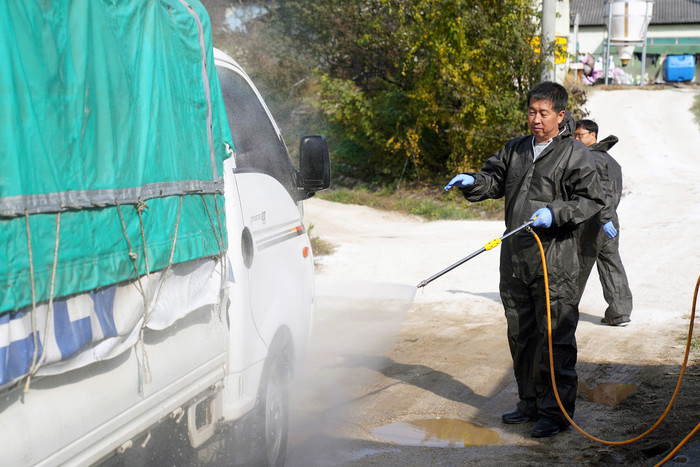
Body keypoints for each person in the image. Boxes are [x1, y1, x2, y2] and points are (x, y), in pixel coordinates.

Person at [444, 82, 606, 438]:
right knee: (521, 334)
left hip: (555, 259)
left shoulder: (575, 153)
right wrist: (473, 181)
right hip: (516, 257)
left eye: (543, 113)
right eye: (531, 111)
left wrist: (556, 212)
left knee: (554, 337)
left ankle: (555, 412)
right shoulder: (516, 149)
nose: (535, 119)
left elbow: (591, 200)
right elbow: (493, 180)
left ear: (560, 115)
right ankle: (529, 402)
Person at [574, 119, 633, 326]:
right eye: (575, 135)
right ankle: (620, 313)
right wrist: (609, 218)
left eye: (580, 135)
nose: (576, 139)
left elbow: (603, 193)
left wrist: (604, 217)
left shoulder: (591, 158)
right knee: (611, 264)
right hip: (610, 221)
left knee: (577, 264)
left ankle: (564, 311)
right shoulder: (612, 161)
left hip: (595, 220)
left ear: (593, 135)